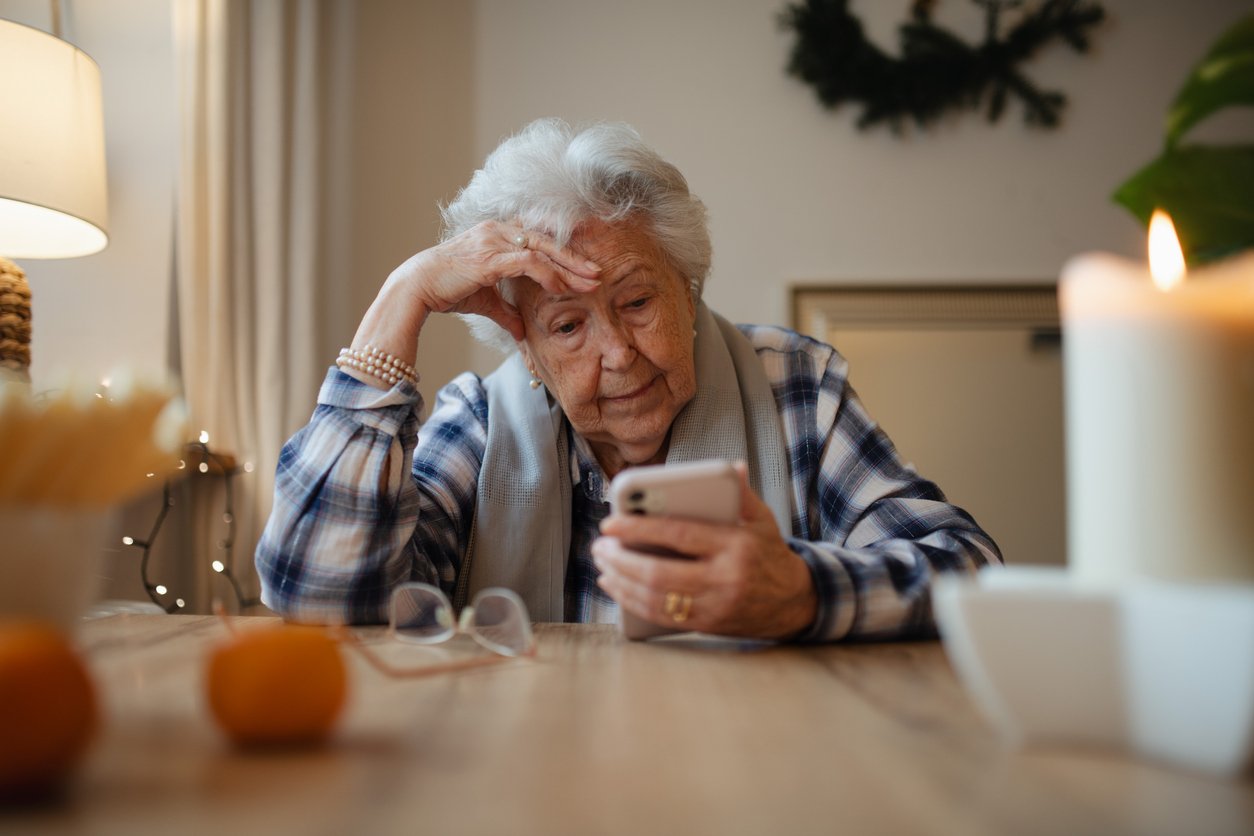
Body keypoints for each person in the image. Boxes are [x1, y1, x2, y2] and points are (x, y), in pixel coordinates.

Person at [256, 118, 1001, 641]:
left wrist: (802, 594)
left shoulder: (794, 388)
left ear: (691, 286)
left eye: (637, 301)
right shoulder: (482, 425)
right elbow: (318, 598)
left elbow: (967, 574)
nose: (616, 353)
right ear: (527, 352)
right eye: (568, 325)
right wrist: (403, 296)